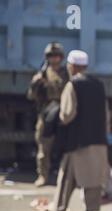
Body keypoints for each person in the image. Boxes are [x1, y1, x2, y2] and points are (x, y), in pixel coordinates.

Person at [44, 50, 109, 211]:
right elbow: (106, 115)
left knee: (66, 180)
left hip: (77, 143)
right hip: (98, 142)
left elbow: (67, 115)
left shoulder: (73, 84)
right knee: (93, 182)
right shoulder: (99, 85)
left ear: (72, 66)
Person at [27, 42, 69, 187]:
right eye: (51, 56)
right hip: (47, 112)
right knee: (43, 146)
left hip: (63, 112)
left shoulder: (66, 73)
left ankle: (66, 177)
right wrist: (36, 83)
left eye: (57, 55)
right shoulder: (42, 73)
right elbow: (31, 96)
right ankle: (43, 175)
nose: (54, 58)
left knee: (67, 147)